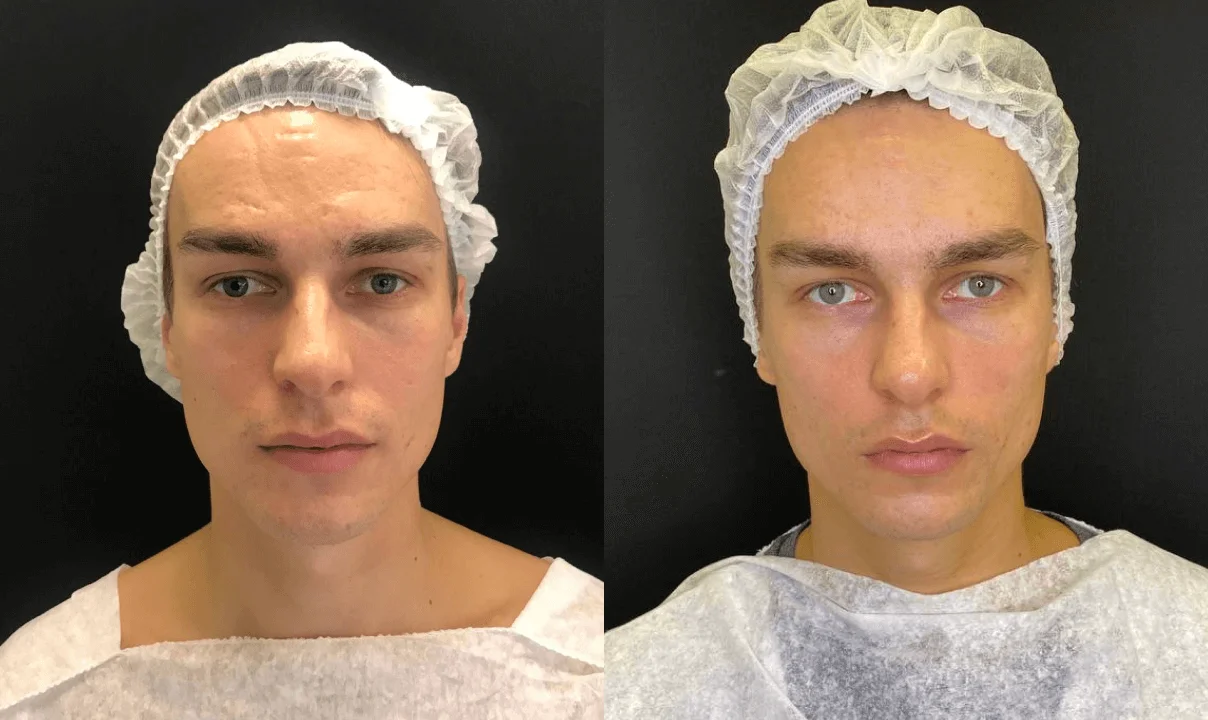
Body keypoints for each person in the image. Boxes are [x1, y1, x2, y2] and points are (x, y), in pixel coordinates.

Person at [606, 1, 1208, 717]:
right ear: (757, 327)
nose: (910, 373)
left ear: (1056, 315)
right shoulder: (627, 690)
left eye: (978, 284)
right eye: (833, 291)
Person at [0, 41, 602, 718]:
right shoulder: (34, 697)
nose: (312, 363)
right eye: (236, 284)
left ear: (456, 322)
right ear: (166, 328)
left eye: (382, 281)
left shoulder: (595, 670)